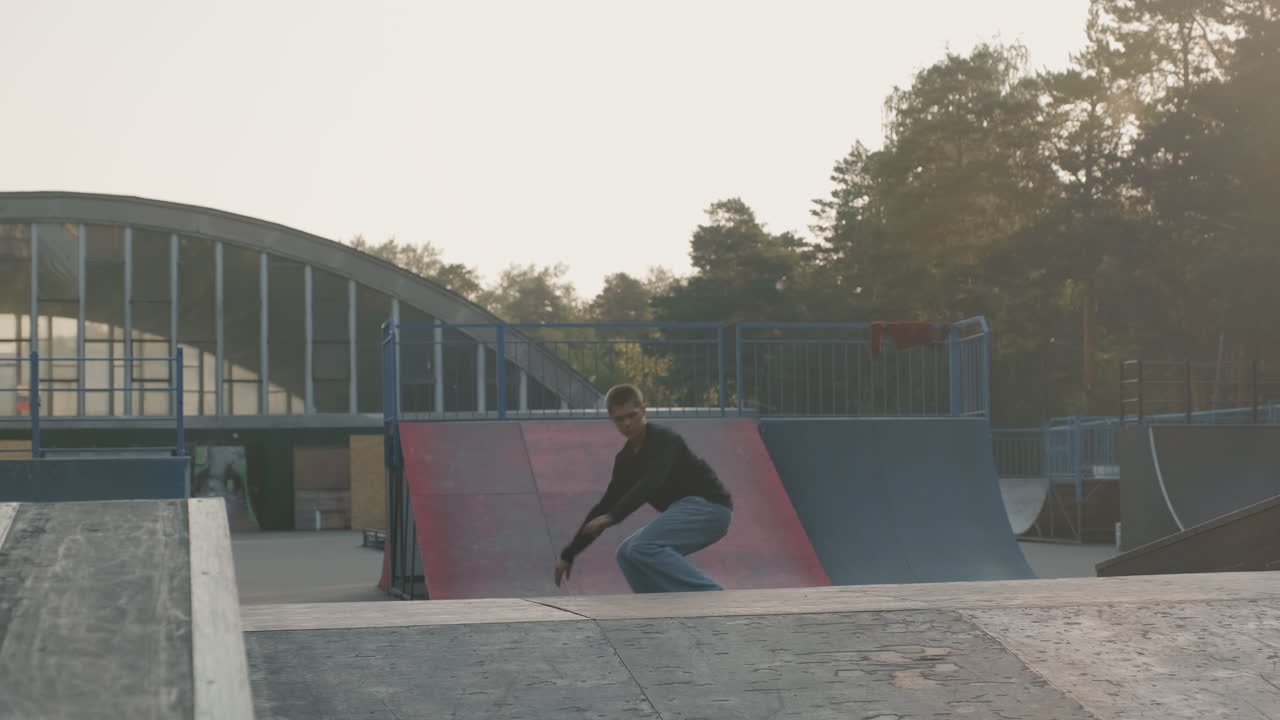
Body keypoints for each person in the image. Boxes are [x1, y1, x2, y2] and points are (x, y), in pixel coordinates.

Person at [554, 383, 734, 593]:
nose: (628, 423)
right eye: (620, 419)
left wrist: (614, 517)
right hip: (685, 510)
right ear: (612, 419)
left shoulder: (665, 440)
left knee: (642, 547)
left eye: (632, 415)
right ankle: (654, 609)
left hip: (709, 508)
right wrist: (569, 554)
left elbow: (651, 481)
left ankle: (712, 595)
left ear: (644, 410)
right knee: (626, 554)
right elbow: (605, 505)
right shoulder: (625, 459)